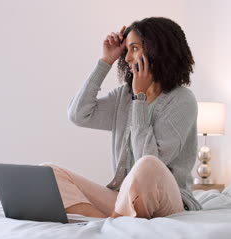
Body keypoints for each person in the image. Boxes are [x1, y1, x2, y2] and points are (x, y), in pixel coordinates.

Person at [40, 17, 202, 219]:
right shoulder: (123, 96)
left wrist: (140, 99)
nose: (126, 58)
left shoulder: (182, 100)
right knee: (48, 173)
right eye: (127, 50)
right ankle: (110, 223)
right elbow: (78, 114)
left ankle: (117, 220)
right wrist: (105, 61)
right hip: (123, 199)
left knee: (148, 165)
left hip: (167, 201)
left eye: (134, 48)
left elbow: (149, 161)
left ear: (157, 50)